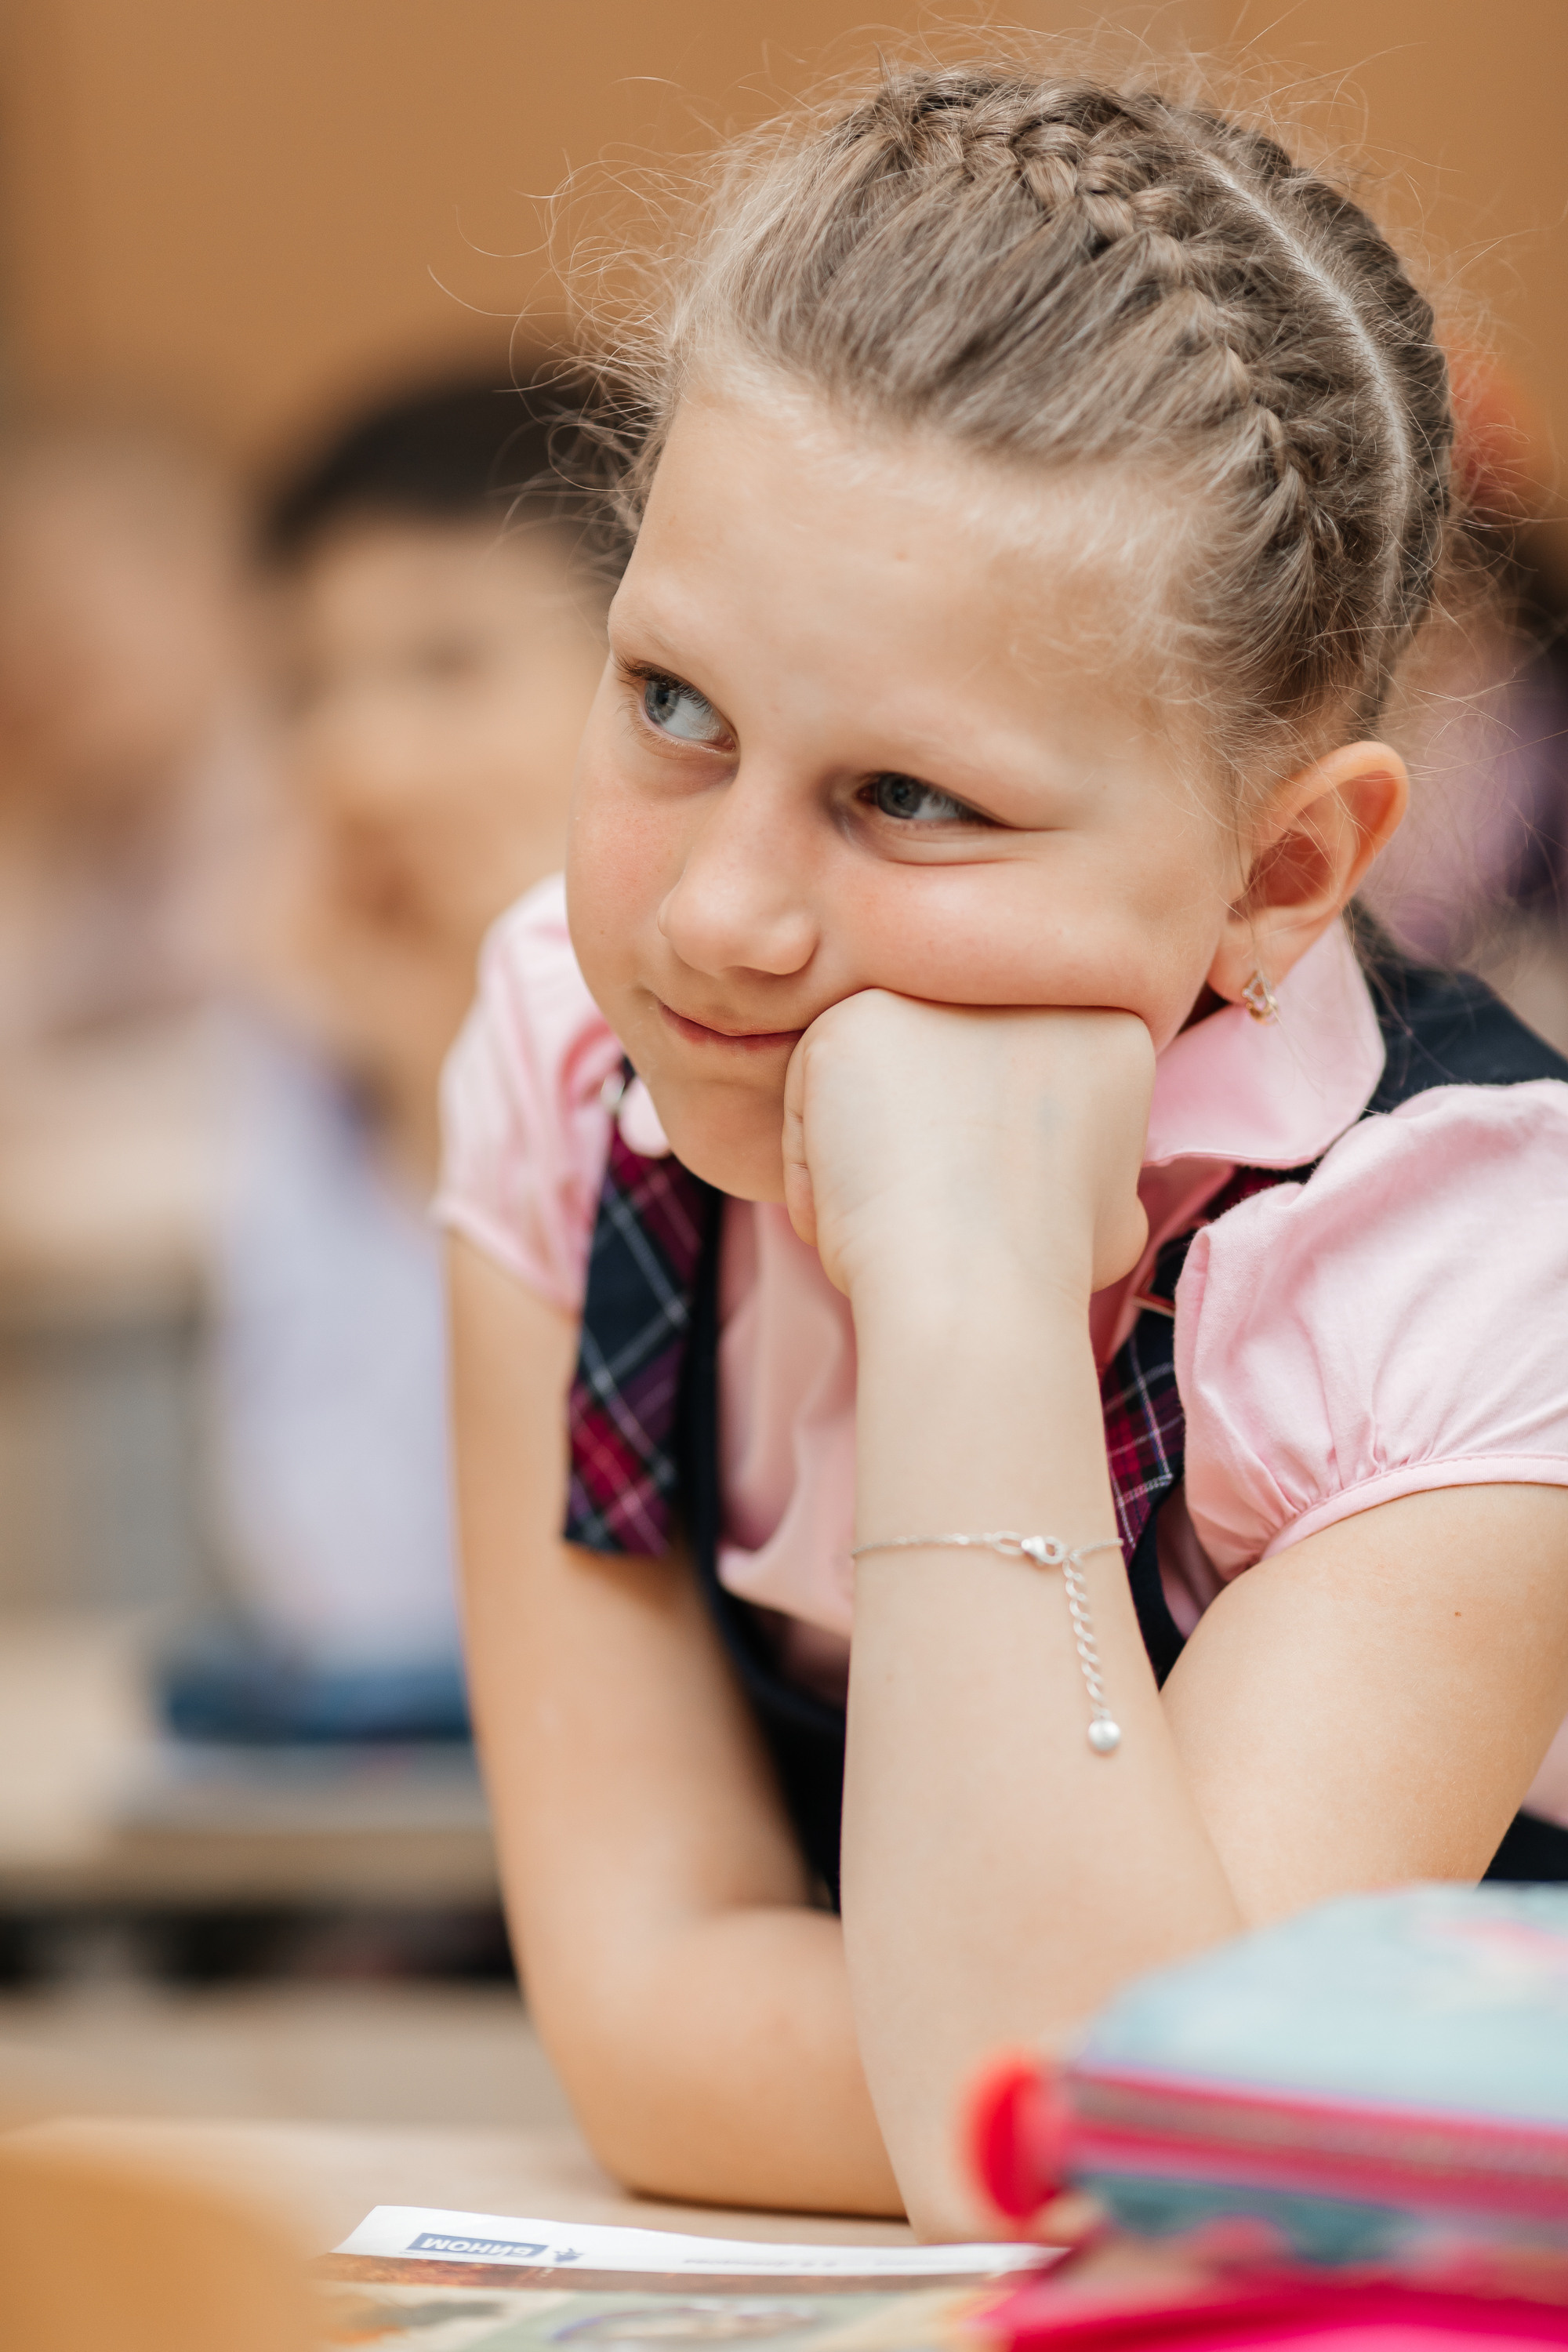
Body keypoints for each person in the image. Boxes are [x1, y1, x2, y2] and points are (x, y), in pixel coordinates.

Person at [437, 62, 1568, 2233]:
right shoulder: (573, 1074)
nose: (717, 919)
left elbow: (1125, 2154)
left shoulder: (1462, 1261)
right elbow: (656, 2015)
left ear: (1281, 871)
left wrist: (964, 1300)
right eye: (675, 706)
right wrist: (1081, 2081)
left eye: (914, 801)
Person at [176, 368, 615, 1723]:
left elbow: (607, 1590)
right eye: (308, 689)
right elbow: (360, 1595)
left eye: (448, 667)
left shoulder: (739, 1045)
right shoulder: (320, 1042)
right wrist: (436, 1092)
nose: (360, 762)